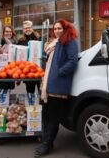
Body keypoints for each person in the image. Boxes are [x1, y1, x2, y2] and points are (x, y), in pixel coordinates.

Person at [34, 19, 79, 157]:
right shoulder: (56, 43)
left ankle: (47, 145)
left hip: (58, 86)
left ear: (66, 28)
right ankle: (48, 141)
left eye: (60, 28)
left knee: (53, 117)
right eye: (55, 29)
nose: (57, 31)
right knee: (46, 115)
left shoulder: (70, 41)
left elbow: (72, 61)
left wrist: (58, 72)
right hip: (48, 85)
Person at [17, 20, 41, 94]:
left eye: (29, 27)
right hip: (27, 70)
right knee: (30, 92)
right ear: (23, 30)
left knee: (41, 91)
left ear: (32, 28)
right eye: (25, 28)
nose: (27, 29)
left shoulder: (39, 38)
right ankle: (31, 105)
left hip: (39, 69)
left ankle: (42, 105)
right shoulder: (20, 41)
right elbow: (18, 57)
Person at [0, 25, 17, 90]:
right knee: (2, 88)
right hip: (2, 68)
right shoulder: (0, 41)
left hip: (11, 68)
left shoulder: (15, 42)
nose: (8, 33)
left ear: (12, 33)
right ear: (3, 33)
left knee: (9, 88)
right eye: (6, 31)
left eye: (10, 32)